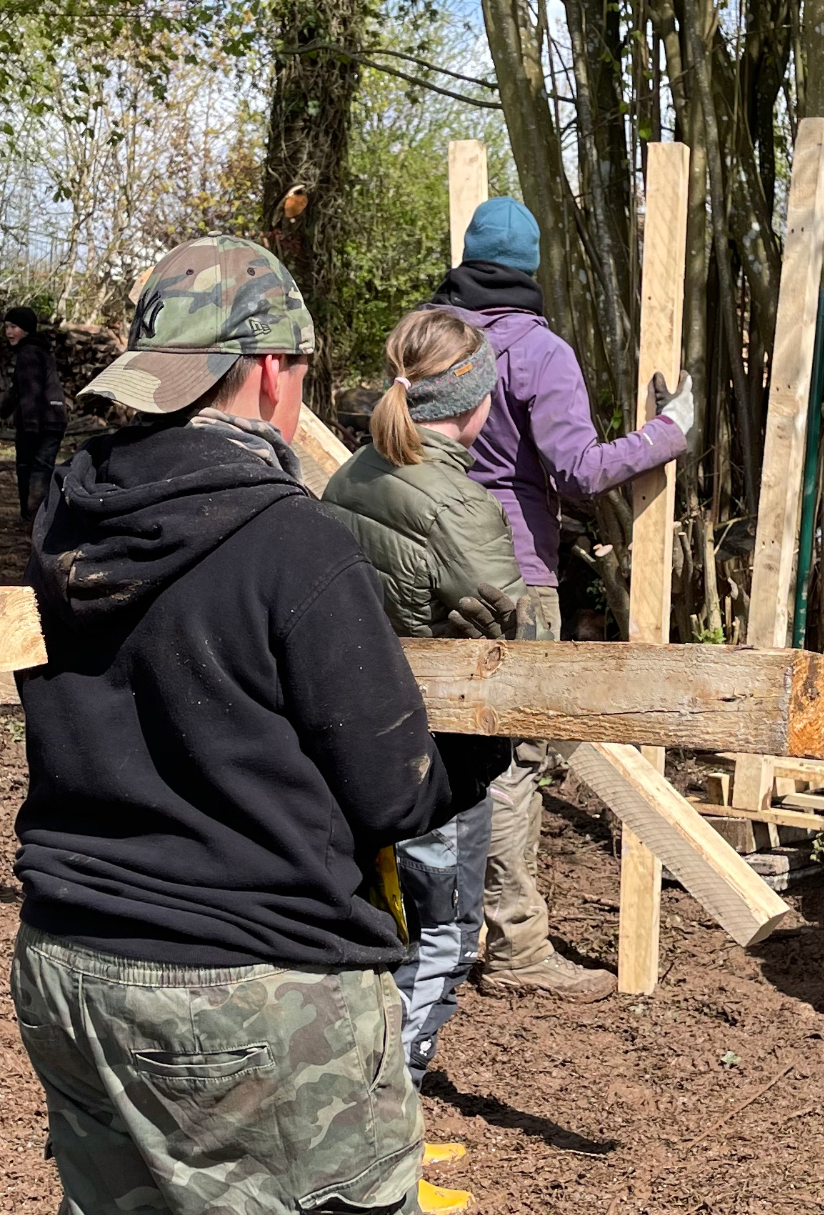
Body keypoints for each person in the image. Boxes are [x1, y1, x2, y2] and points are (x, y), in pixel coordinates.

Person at [10, 236, 500, 1215]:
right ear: (273, 369)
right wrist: (490, 731)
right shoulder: (291, 543)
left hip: (69, 968)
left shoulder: (62, 521)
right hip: (247, 986)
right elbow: (392, 793)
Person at [432, 195, 696, 1003]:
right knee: (512, 760)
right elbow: (578, 470)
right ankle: (514, 946)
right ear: (531, 270)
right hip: (514, 572)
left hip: (426, 563)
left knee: (436, 745)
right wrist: (666, 433)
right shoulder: (540, 352)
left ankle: (435, 927)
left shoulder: (428, 340)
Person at [321, 308, 522, 1215]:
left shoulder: (347, 477)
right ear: (473, 402)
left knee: (378, 938)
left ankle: (379, 1121)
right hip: (440, 762)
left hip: (353, 752)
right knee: (441, 933)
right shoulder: (459, 503)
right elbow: (517, 635)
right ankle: (381, 1160)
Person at [0, 304, 67, 522]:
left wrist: (29, 426)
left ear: (26, 329)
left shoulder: (27, 354)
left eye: (14, 327)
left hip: (38, 422)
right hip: (54, 419)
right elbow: (22, 388)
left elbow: (30, 392)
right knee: (42, 468)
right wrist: (5, 409)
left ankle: (32, 519)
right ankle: (39, 519)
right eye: (7, 327)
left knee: (31, 470)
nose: (9, 332)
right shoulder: (40, 351)